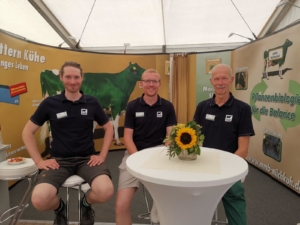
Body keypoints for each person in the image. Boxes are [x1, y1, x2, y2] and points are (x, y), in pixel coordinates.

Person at [22, 61, 114, 225]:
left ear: (82, 78)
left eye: (76, 77)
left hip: (87, 159)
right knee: (39, 200)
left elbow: (108, 128)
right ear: (62, 78)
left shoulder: (92, 102)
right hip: (59, 161)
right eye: (68, 77)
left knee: (106, 191)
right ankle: (60, 208)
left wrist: (103, 155)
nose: (73, 81)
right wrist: (39, 161)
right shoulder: (50, 103)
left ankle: (86, 204)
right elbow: (27, 132)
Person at [193, 64, 254, 225]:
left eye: (224, 78)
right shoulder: (202, 107)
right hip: (203, 167)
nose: (220, 82)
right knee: (191, 199)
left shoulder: (243, 109)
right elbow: (194, 139)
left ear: (231, 80)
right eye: (217, 78)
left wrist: (223, 169)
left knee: (235, 197)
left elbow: (243, 150)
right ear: (211, 81)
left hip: (230, 169)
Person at [115, 69, 177, 225]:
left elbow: (170, 136)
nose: (151, 84)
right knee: (120, 205)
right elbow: (127, 137)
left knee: (167, 204)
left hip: (160, 155)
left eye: (154, 81)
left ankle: (158, 204)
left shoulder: (168, 107)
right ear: (141, 84)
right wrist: (138, 159)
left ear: (159, 84)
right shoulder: (132, 106)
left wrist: (160, 154)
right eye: (147, 81)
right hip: (133, 155)